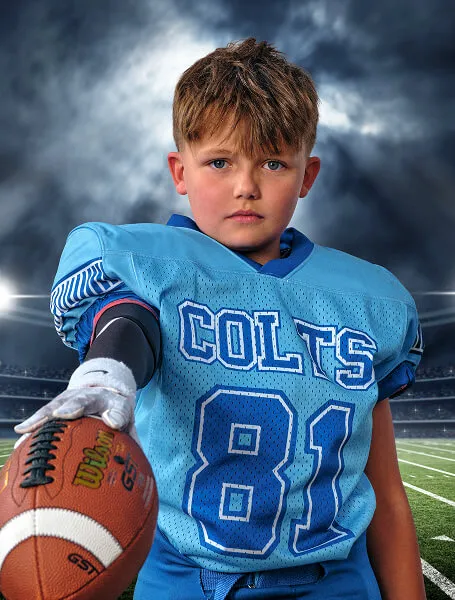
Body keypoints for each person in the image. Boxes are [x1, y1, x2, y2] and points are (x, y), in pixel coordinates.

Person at [16, 38, 426, 600]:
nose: (246, 186)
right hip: (186, 580)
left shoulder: (367, 299)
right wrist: (106, 369)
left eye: (274, 163)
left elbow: (384, 488)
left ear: (307, 176)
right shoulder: (152, 267)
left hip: (335, 582)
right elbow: (129, 316)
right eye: (219, 161)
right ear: (178, 171)